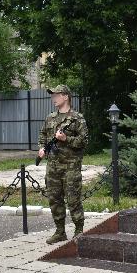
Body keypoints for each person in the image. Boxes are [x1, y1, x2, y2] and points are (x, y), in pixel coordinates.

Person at [38, 85, 88, 244]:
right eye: (53, 95)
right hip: (53, 167)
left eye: (57, 95)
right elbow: (43, 135)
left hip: (70, 167)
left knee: (73, 200)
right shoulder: (50, 118)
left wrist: (66, 139)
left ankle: (79, 230)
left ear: (66, 96)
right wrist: (42, 148)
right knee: (54, 199)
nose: (54, 98)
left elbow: (84, 141)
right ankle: (60, 232)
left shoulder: (77, 118)